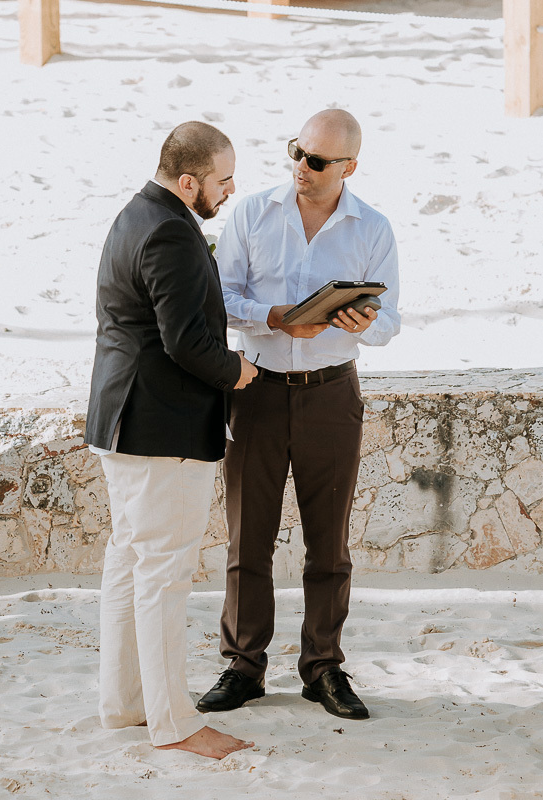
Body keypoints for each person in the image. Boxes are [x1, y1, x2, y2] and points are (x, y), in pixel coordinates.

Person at [200, 109, 401, 721]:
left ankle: (322, 667)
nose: (300, 168)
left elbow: (391, 323)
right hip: (256, 388)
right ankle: (243, 666)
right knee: (247, 538)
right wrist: (280, 316)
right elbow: (221, 297)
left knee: (329, 543)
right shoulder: (253, 212)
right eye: (296, 152)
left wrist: (362, 322)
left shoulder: (373, 228)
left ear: (349, 167)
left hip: (332, 393)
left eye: (315, 161)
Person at [84, 121, 259, 759]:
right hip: (162, 429)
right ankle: (175, 724)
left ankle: (124, 703)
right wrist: (236, 370)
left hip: (122, 419)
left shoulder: (136, 214)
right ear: (189, 181)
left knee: (129, 560)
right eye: (223, 178)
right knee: (163, 573)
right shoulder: (170, 232)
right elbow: (185, 342)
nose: (231, 189)